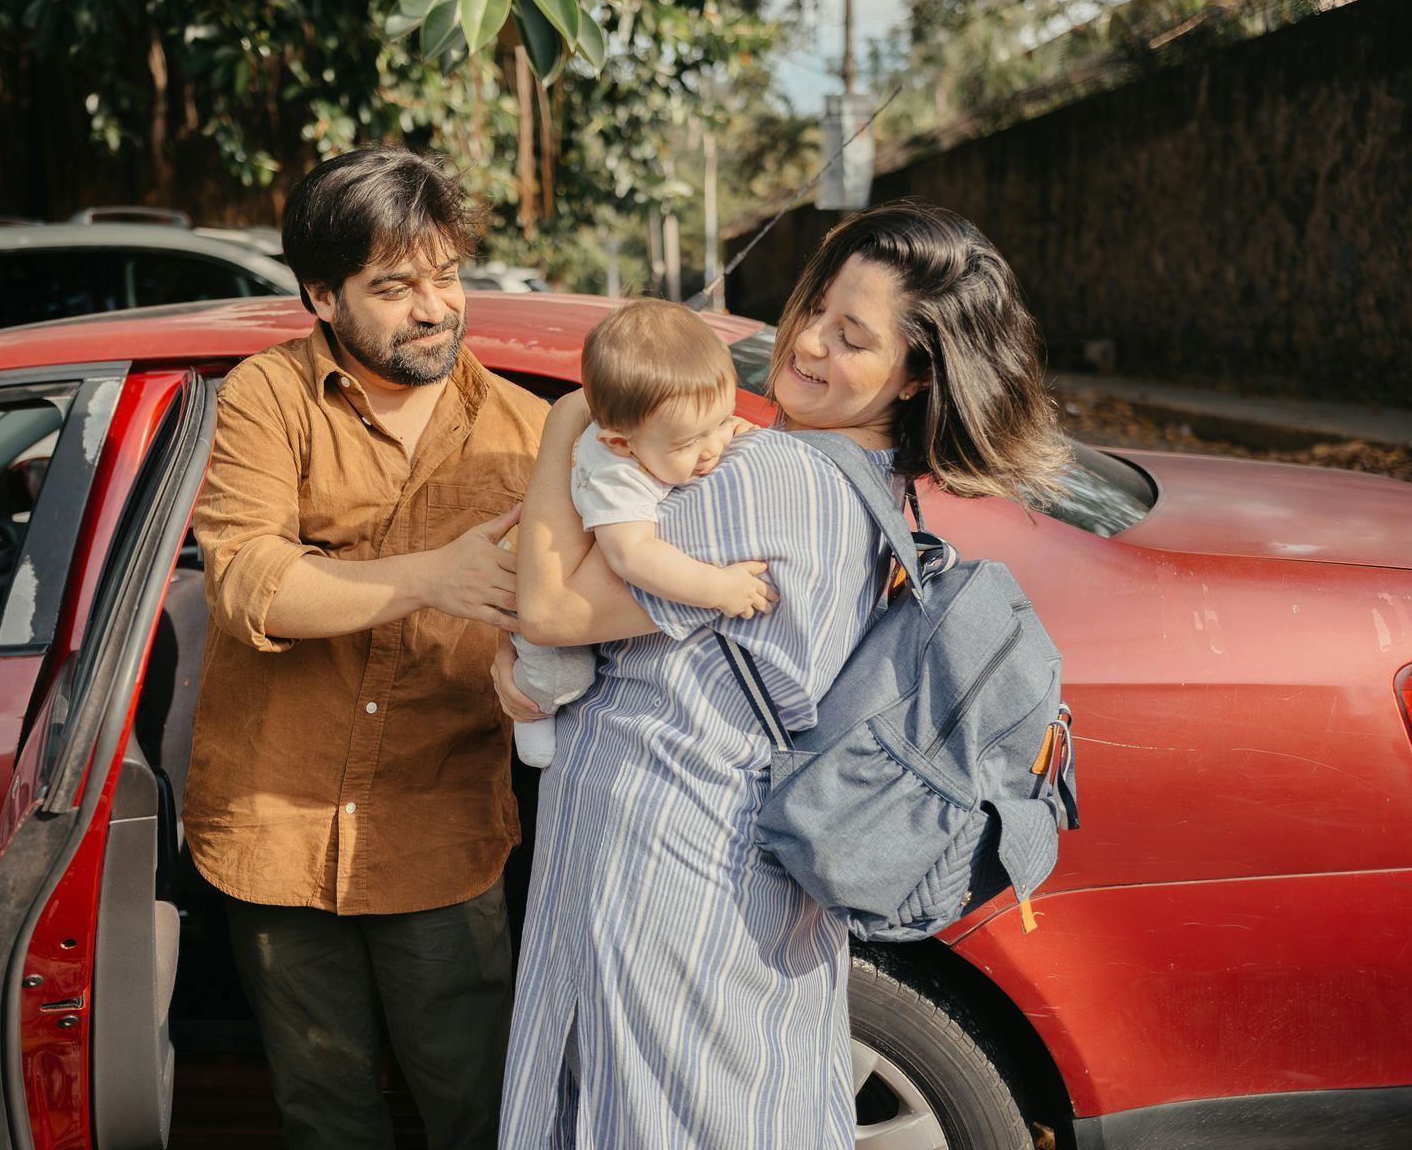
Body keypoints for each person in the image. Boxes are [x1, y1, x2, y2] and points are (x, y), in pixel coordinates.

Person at [496, 201, 1070, 1147]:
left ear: (914, 373)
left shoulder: (771, 478)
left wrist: (571, 420)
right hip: (759, 880)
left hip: (669, 867)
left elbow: (553, 611)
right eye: (816, 312)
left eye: (852, 338)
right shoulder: (877, 484)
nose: (806, 343)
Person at [183, 147, 547, 1150]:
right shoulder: (267, 396)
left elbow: (565, 617)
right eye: (394, 286)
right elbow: (250, 580)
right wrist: (432, 575)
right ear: (322, 294)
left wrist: (535, 670)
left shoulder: (530, 433)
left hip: (441, 834)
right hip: (274, 828)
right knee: (325, 1117)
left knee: (477, 1110)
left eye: (447, 276)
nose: (435, 308)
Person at [507, 300, 775, 768]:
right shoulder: (616, 475)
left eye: (721, 421)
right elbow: (633, 556)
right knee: (566, 677)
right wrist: (717, 588)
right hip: (527, 583)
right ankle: (530, 714)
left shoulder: (668, 428)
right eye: (689, 443)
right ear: (620, 443)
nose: (713, 448)